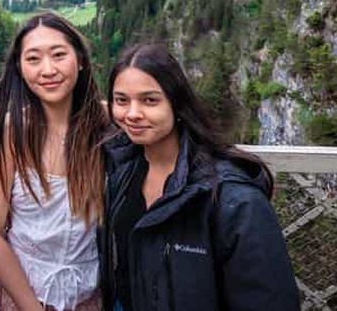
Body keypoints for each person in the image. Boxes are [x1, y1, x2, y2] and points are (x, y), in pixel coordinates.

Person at [101, 43, 300, 311]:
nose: (132, 114)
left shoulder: (232, 199)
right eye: (121, 100)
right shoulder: (122, 172)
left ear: (177, 103)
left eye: (150, 100)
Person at [0, 12, 109, 311]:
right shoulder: (13, 132)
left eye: (59, 55)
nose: (47, 69)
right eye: (33, 59)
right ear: (20, 69)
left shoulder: (107, 125)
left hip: (91, 296)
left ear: (80, 59)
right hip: (25, 296)